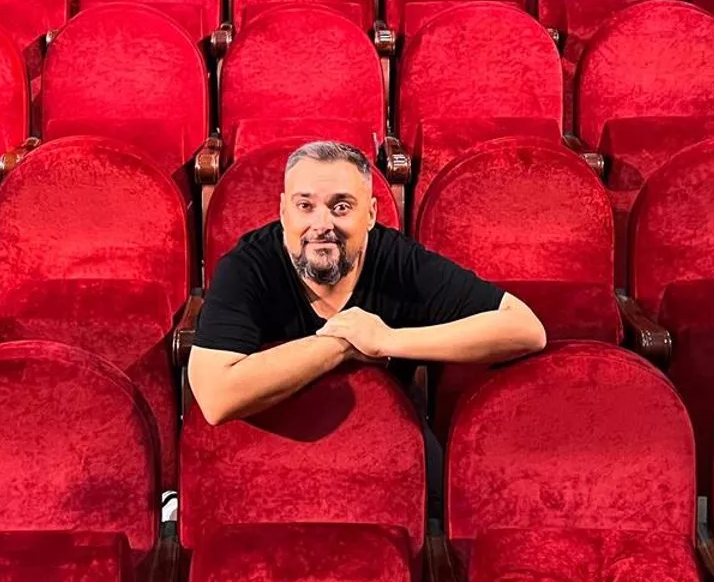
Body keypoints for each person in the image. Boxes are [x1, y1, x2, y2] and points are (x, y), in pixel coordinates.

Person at [189, 140, 548, 425]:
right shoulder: (247, 266)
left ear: (372, 213)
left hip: (387, 450)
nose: (322, 224)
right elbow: (216, 398)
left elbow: (525, 329)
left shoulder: (398, 260)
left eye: (341, 206)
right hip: (269, 454)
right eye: (305, 206)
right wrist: (343, 344)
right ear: (283, 211)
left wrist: (388, 339)